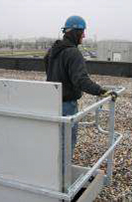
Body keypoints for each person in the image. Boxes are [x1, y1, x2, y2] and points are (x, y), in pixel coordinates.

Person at [44, 15, 117, 153]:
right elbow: (81, 80)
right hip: (67, 105)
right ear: (75, 32)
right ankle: (63, 174)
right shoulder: (73, 53)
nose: (84, 35)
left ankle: (53, 173)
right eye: (82, 31)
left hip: (51, 102)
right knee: (66, 145)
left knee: (55, 143)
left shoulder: (52, 51)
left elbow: (49, 72)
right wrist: (101, 91)